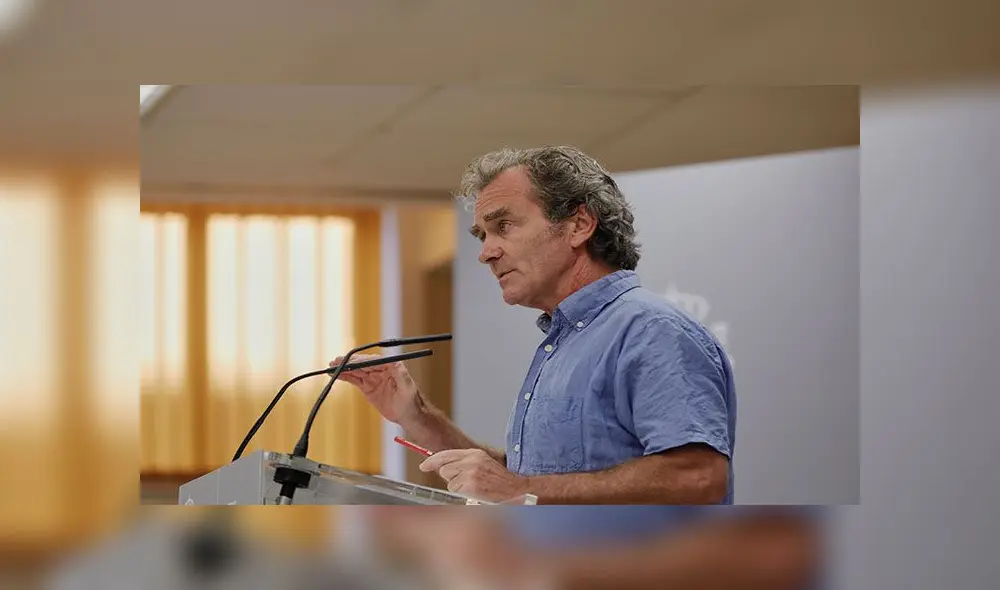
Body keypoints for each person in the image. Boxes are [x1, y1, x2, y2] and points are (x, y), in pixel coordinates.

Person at [333, 145, 736, 504]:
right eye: (482, 235)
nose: (486, 253)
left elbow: (698, 477)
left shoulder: (651, 330)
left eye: (503, 226)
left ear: (579, 225)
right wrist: (417, 416)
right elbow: (529, 483)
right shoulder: (565, 341)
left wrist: (521, 489)